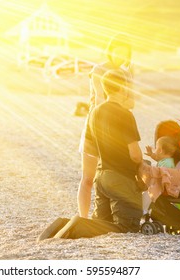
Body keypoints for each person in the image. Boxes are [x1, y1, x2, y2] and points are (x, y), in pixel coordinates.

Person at [37, 69, 143, 240]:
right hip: (121, 177)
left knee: (101, 223)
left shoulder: (94, 113)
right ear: (122, 88)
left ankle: (64, 225)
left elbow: (90, 148)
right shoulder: (125, 114)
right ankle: (76, 225)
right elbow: (135, 155)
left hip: (101, 177)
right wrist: (142, 165)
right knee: (128, 227)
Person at [78, 33, 134, 218]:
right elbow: (102, 99)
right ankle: (83, 218)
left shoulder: (127, 73)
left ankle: (111, 216)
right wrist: (119, 103)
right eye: (117, 53)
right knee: (88, 177)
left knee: (116, 174)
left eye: (124, 54)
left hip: (118, 129)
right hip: (96, 126)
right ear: (110, 52)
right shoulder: (99, 70)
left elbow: (131, 102)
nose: (121, 57)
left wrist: (118, 104)